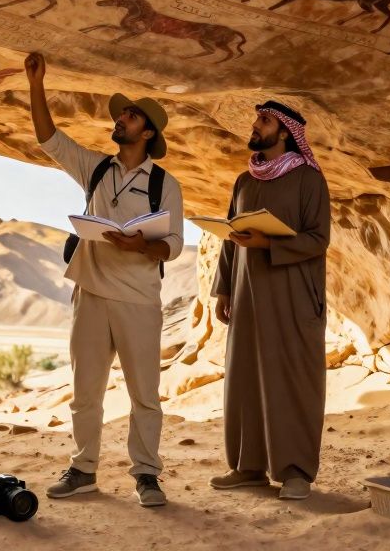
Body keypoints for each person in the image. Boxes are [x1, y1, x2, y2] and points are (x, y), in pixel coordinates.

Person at [24, 50, 184, 508]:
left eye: (130, 116)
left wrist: (142, 246)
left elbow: (173, 243)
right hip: (90, 294)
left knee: (145, 396)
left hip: (138, 300)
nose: (121, 119)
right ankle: (83, 469)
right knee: (85, 391)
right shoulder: (95, 168)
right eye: (121, 115)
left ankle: (147, 476)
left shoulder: (163, 183)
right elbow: (48, 138)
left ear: (147, 132)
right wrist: (36, 84)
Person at [209, 100, 331, 501]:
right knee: (245, 378)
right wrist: (223, 288)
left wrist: (269, 243)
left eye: (264, 121)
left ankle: (295, 471)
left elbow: (318, 239)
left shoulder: (309, 180)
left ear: (285, 133)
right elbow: (231, 235)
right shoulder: (244, 181)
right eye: (257, 119)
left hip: (293, 295)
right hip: (246, 294)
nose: (255, 125)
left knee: (292, 380)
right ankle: (248, 467)